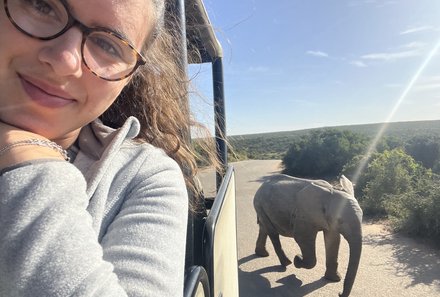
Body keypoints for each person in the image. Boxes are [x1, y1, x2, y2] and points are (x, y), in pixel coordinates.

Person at [0, 0, 210, 296]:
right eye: (42, 6)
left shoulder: (143, 178)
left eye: (109, 46)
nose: (65, 60)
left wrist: (26, 157)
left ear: (128, 79)